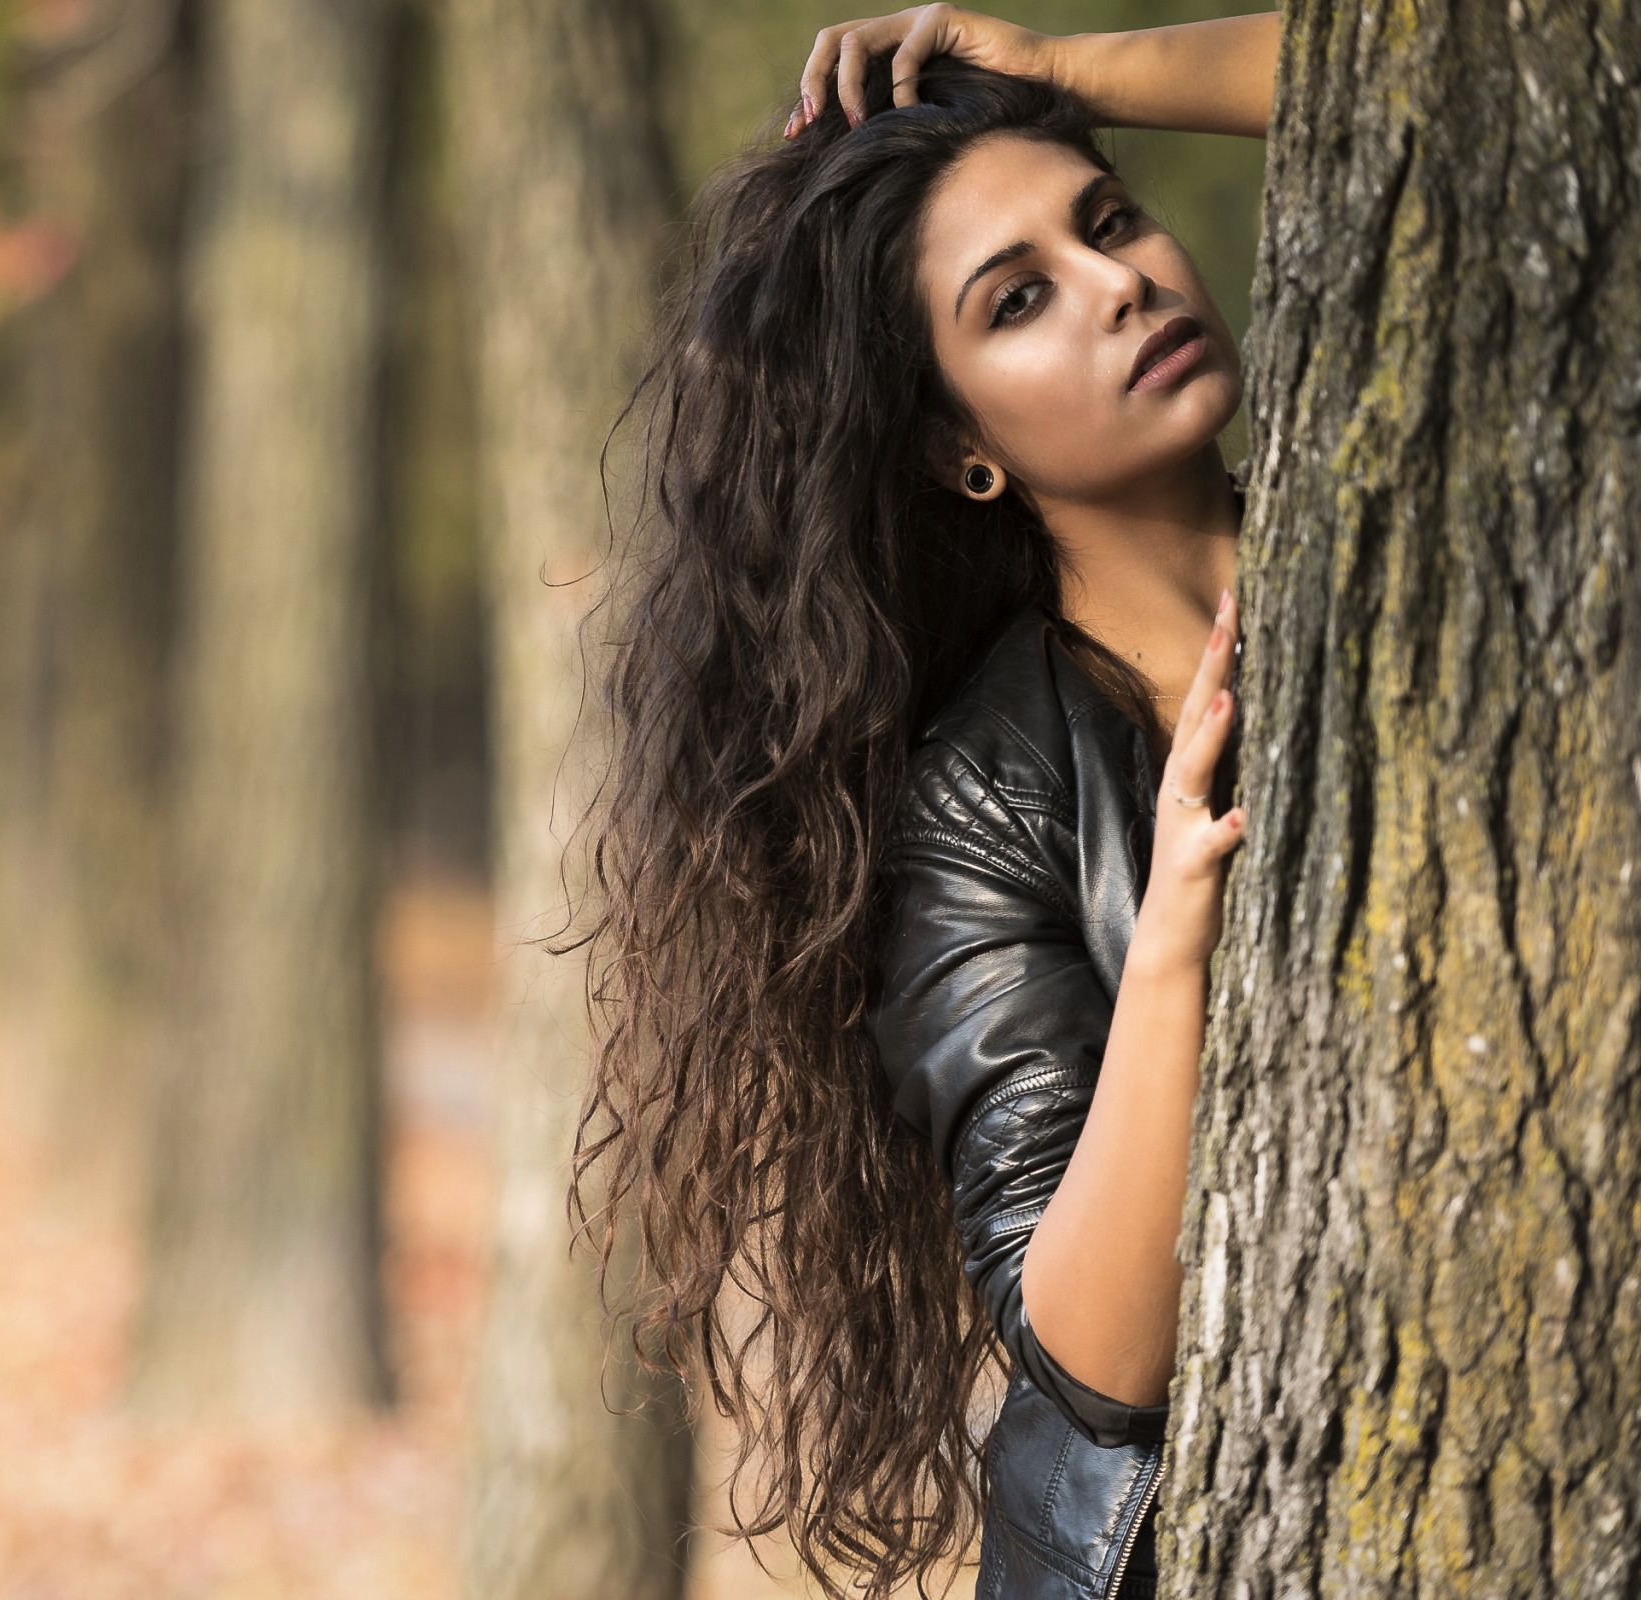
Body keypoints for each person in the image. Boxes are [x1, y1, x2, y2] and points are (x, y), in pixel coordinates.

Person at [574, 9, 1280, 1600]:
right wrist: (1169, 937)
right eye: (1018, 300)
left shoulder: (1416, 529)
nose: (1119, 284)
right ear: (960, 445)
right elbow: (1089, 1357)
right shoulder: (984, 797)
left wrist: (1061, 69)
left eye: (1110, 220)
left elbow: (1478, 62)